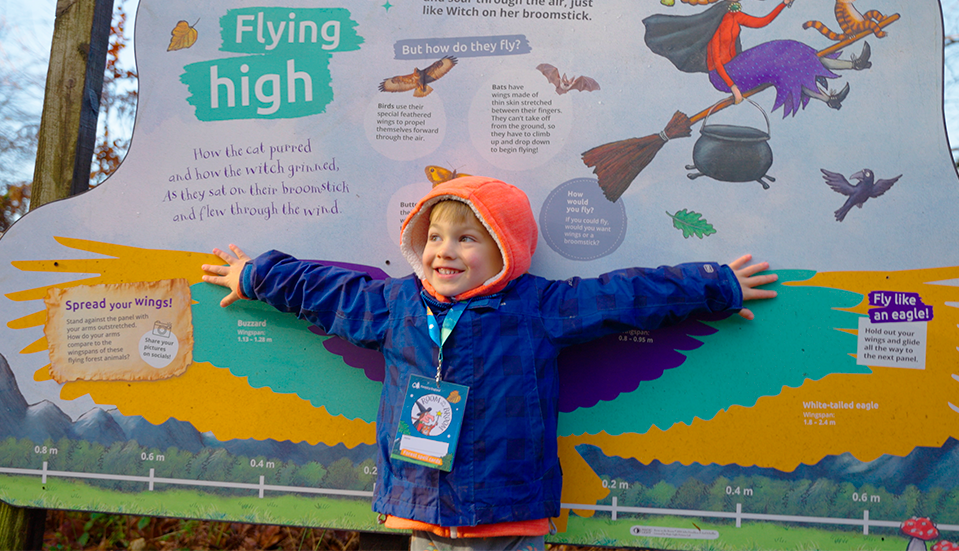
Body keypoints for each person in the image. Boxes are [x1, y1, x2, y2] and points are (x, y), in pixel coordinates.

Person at [201, 176, 778, 551]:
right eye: (435, 237)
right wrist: (255, 275)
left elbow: (625, 296)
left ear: (504, 250)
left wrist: (716, 285)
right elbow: (327, 293)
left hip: (509, 519)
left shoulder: (537, 309)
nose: (445, 251)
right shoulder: (397, 306)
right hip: (421, 514)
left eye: (467, 239)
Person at [644, 0, 872, 117]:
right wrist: (733, 88)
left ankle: (854, 65)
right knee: (780, 64)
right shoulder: (716, 26)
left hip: (740, 66)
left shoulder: (734, 15)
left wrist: (782, 4)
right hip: (723, 77)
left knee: (790, 48)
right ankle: (828, 98)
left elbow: (761, 22)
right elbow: (717, 63)